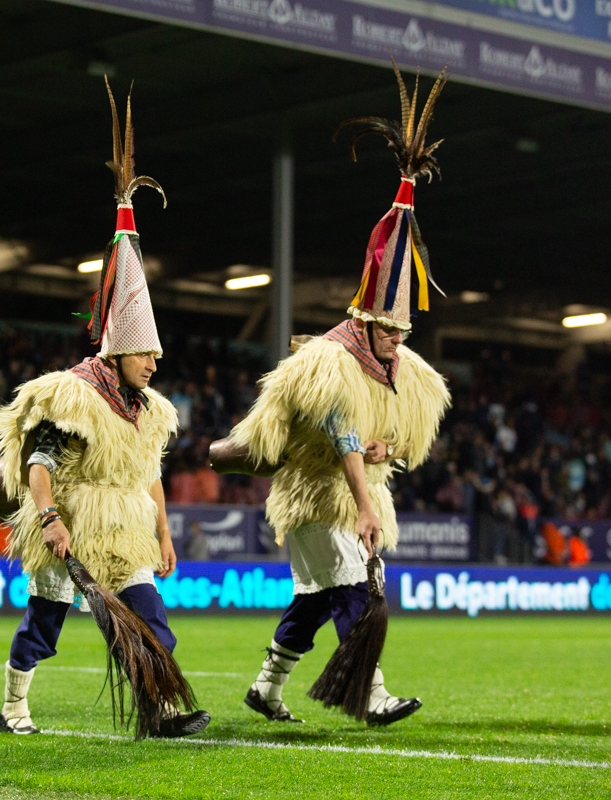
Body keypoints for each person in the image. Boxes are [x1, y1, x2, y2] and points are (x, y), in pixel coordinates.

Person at [219, 64, 451, 727]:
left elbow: (395, 439)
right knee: (353, 588)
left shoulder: (404, 369)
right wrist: (363, 498)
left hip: (357, 490)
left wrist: (389, 448)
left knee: (316, 601)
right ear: (365, 319)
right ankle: (369, 693)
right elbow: (344, 434)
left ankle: (265, 689)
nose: (398, 340)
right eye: (389, 328)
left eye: (406, 329)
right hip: (320, 493)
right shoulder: (328, 362)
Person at [0, 80, 208, 739]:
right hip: (74, 526)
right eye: (146, 355)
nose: (155, 364)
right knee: (45, 629)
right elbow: (39, 460)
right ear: (117, 352)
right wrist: (50, 518)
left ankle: (156, 714)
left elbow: (149, 473)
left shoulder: (150, 410)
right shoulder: (73, 394)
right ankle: (13, 705)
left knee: (151, 626)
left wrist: (164, 531)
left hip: (128, 532)